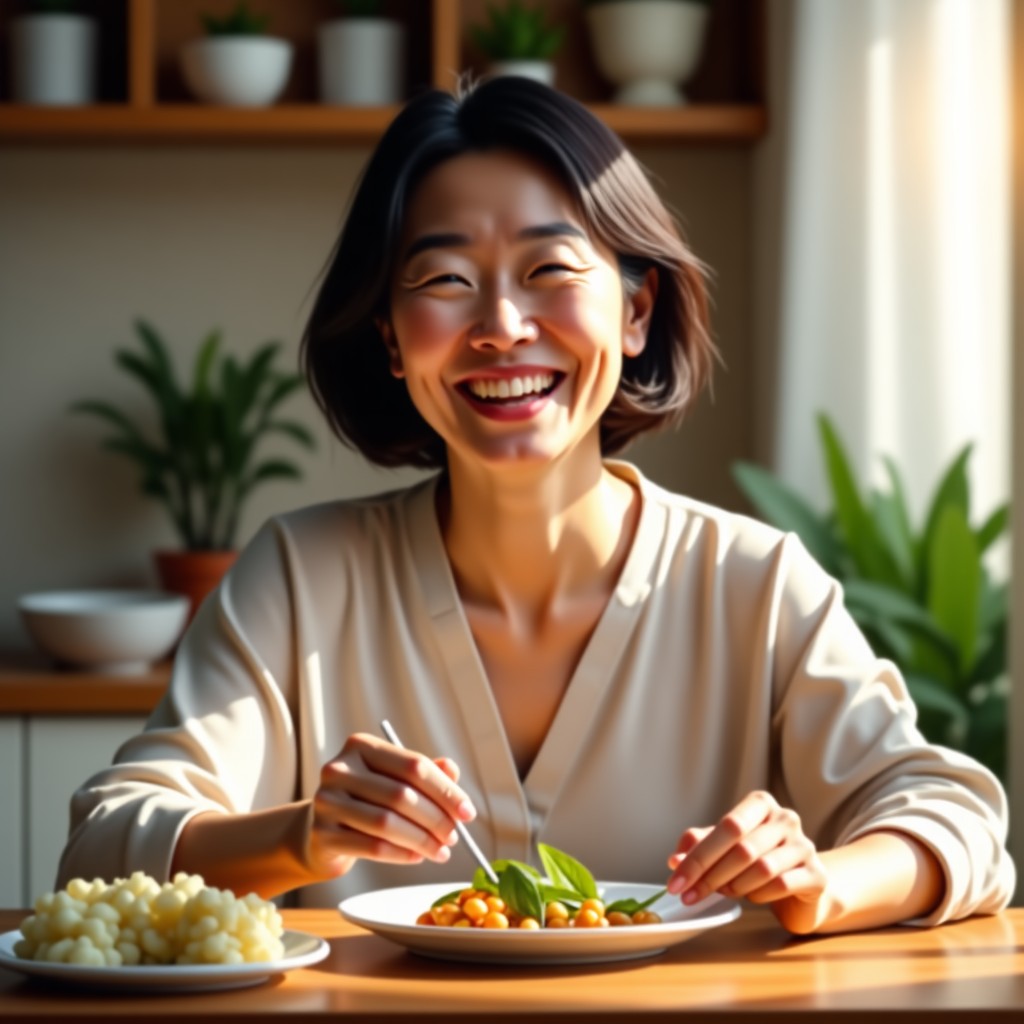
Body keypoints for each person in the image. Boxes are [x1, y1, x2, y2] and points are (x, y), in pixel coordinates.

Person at [58, 77, 1014, 935]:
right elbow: (105, 843)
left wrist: (820, 881)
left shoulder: (754, 584)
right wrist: (303, 836)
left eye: (552, 270)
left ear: (636, 312)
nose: (503, 327)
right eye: (445, 282)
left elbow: (954, 820)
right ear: (392, 339)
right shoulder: (301, 578)